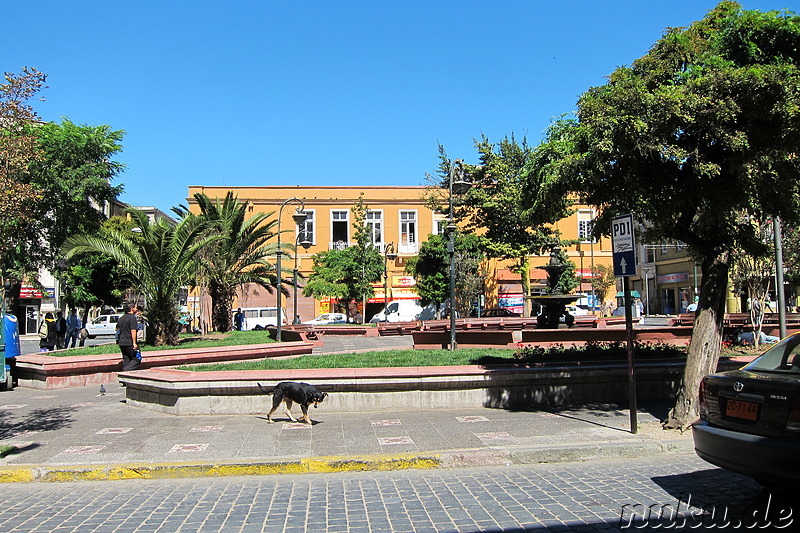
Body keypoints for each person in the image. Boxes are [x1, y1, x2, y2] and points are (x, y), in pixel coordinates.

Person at [117, 303, 141, 371]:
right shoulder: (132, 318)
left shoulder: (121, 318)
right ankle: (126, 371)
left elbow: (118, 329)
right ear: (131, 309)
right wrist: (134, 343)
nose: (136, 309)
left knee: (126, 359)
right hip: (129, 343)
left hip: (122, 342)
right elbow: (133, 331)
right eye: (135, 307)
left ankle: (125, 375)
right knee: (137, 358)